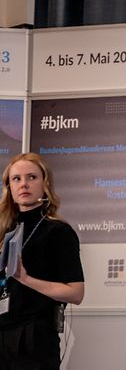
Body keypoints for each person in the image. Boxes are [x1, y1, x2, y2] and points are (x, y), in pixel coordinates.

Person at [0, 153, 84, 370]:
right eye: (16, 179)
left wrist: (26, 279)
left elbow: (76, 293)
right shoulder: (4, 231)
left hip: (34, 340)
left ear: (45, 184)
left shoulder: (58, 231)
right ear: (9, 187)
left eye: (32, 177)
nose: (24, 184)